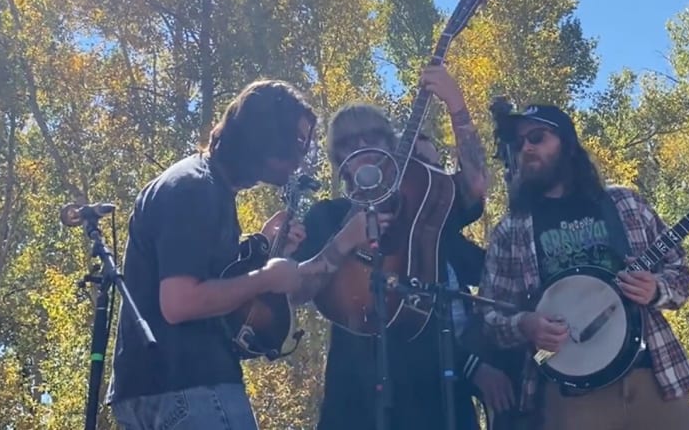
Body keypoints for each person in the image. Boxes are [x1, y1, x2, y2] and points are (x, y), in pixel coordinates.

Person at [107, 79, 375, 429]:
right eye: (296, 144)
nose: (299, 161)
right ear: (264, 138)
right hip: (189, 388)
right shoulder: (194, 189)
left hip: (157, 391)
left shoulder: (204, 186)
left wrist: (260, 245)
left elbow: (202, 279)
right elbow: (180, 302)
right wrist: (267, 277)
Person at [291, 64, 510, 430]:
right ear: (337, 162)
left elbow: (474, 186)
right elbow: (298, 289)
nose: (360, 147)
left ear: (392, 147)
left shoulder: (424, 204)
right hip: (353, 397)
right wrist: (347, 239)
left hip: (435, 393)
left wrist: (456, 105)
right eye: (347, 142)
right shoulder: (326, 216)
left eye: (372, 137)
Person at [477, 104, 689, 429]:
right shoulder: (511, 230)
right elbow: (488, 317)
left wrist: (656, 289)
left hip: (654, 376)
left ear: (567, 143)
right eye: (519, 142)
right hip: (571, 396)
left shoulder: (626, 203)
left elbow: (680, 275)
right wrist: (525, 324)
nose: (526, 148)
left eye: (537, 137)